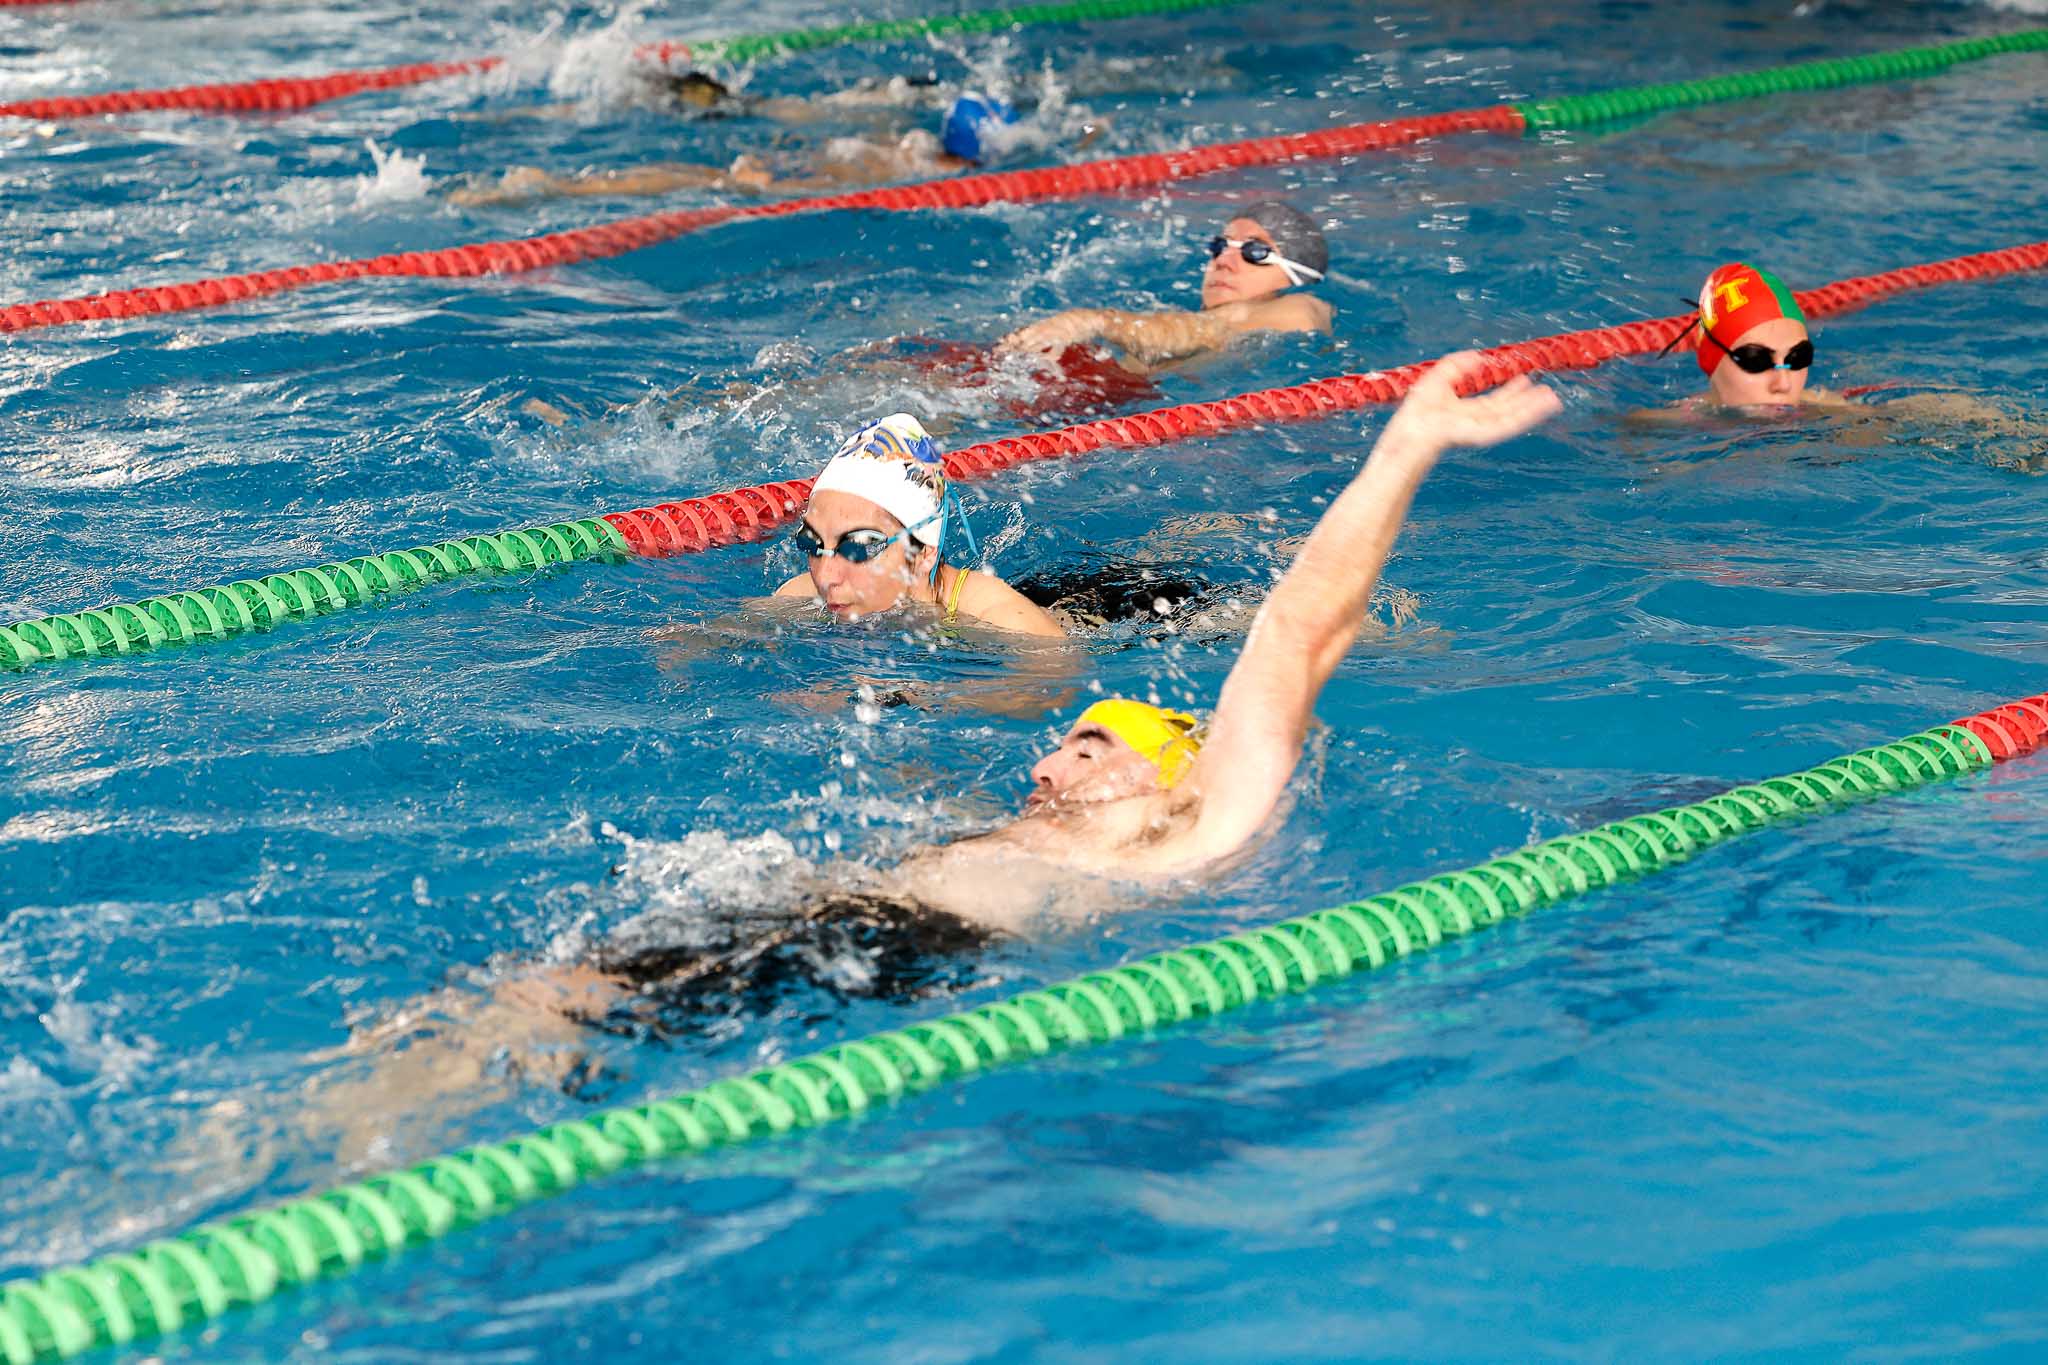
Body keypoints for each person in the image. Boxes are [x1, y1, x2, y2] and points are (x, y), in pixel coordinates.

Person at [315, 352, 1559, 1121]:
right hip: (844, 915)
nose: (1050, 757)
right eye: (1059, 742)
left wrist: (1406, 443)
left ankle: (332, 1157)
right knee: (499, 1011)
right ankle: (351, 1122)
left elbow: (1292, 634)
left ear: (1175, 773)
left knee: (543, 1012)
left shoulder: (1194, 829)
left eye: (1090, 745)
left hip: (897, 944)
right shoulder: (1041, 810)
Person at [449, 93, 1028, 207]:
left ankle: (556, 184)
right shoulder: (921, 172)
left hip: (794, 161)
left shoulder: (906, 145)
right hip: (783, 181)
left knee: (694, 174)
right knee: (703, 181)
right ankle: (554, 187)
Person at [773, 412, 1067, 637]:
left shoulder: (1002, 618)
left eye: (857, 548)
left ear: (924, 552)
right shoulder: (799, 597)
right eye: (812, 544)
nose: (826, 577)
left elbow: (1053, 686)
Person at [996, 200, 1334, 375]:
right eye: (1220, 246)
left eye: (1254, 252)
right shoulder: (1206, 317)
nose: (1224, 260)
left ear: (1295, 274)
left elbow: (1202, 331)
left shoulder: (1300, 308)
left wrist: (1094, 321)